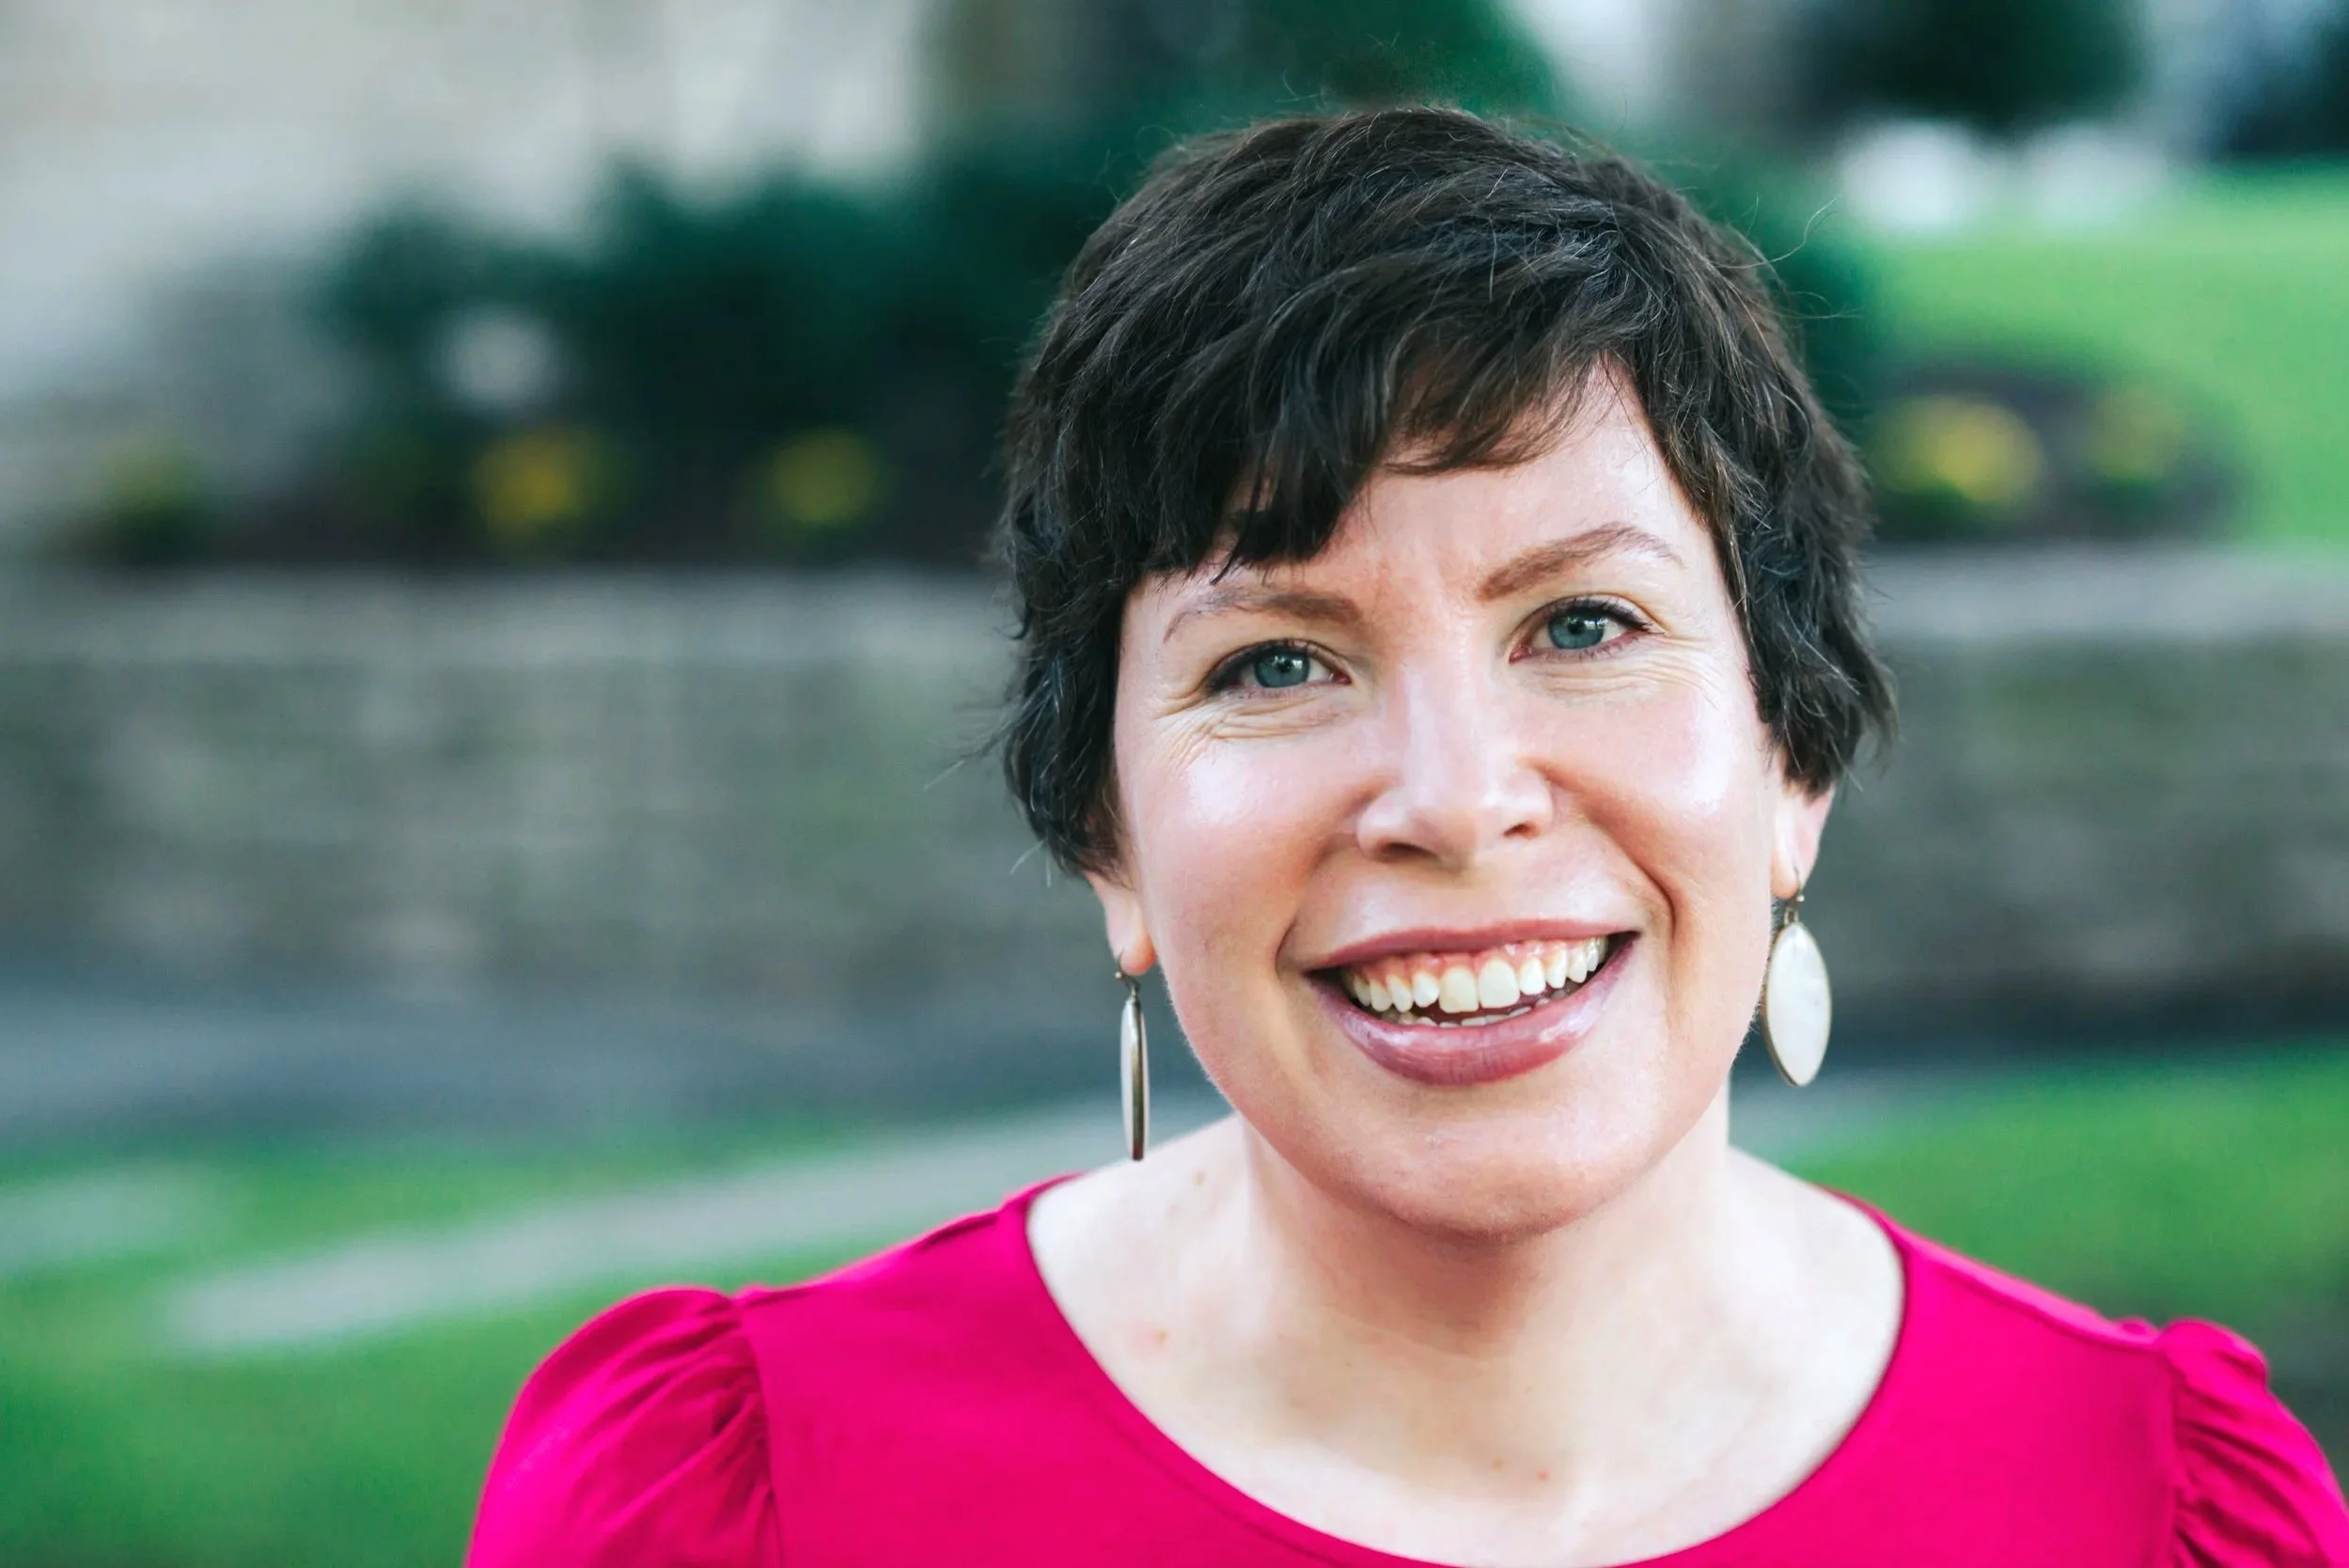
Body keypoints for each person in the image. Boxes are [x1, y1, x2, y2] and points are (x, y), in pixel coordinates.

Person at [467, 108, 2349, 1566]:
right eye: (1279, 659)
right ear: (1104, 830)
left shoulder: (2148, 1508)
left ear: (1792, 750)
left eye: (1583, 626)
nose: (1454, 797)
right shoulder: (746, 1502)